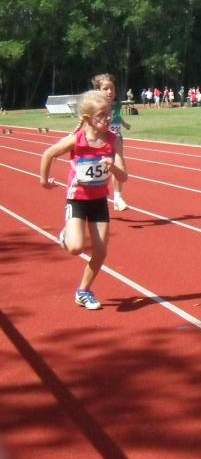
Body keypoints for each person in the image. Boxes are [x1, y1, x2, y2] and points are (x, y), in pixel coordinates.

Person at [39, 90, 128, 310]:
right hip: (77, 200)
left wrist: (113, 167)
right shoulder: (76, 140)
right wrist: (44, 181)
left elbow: (124, 176)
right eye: (102, 115)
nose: (108, 118)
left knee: (101, 252)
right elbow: (48, 154)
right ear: (88, 118)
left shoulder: (114, 140)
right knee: (75, 248)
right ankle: (66, 236)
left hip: (99, 202)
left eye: (109, 113)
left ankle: (83, 291)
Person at [92, 74, 131, 211]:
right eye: (105, 89)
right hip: (100, 142)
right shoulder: (94, 106)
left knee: (120, 167)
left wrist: (124, 124)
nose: (110, 92)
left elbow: (117, 117)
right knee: (99, 171)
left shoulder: (117, 104)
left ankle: (118, 198)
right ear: (98, 90)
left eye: (112, 88)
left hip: (116, 140)